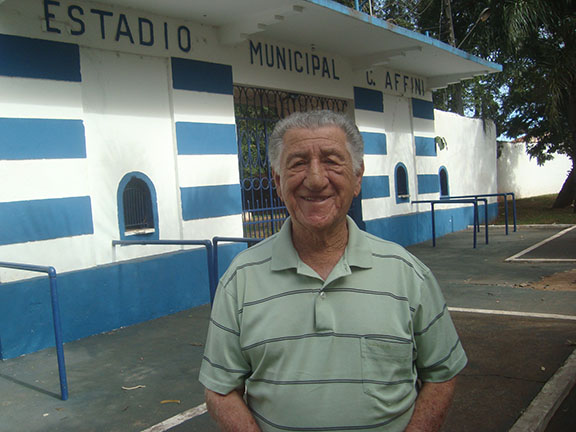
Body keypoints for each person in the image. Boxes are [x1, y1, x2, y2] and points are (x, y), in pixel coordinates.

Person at [199, 110, 467, 431]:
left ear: (357, 177)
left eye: (331, 160)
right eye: (298, 162)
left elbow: (441, 374)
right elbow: (220, 388)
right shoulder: (239, 279)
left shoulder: (409, 274)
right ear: (277, 181)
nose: (314, 179)